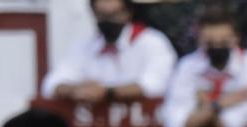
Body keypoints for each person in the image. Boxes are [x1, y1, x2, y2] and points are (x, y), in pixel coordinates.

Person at [159, 6, 247, 127]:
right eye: (210, 43)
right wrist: (220, 104)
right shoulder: (187, 66)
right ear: (199, 40)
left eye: (224, 42)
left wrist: (206, 102)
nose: (217, 48)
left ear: (236, 39)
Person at [40, 0, 177, 104]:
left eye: (114, 15)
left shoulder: (152, 42)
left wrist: (107, 92)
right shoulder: (86, 46)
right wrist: (75, 90)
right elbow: (51, 84)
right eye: (102, 16)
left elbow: (157, 84)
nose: (108, 22)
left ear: (127, 12)